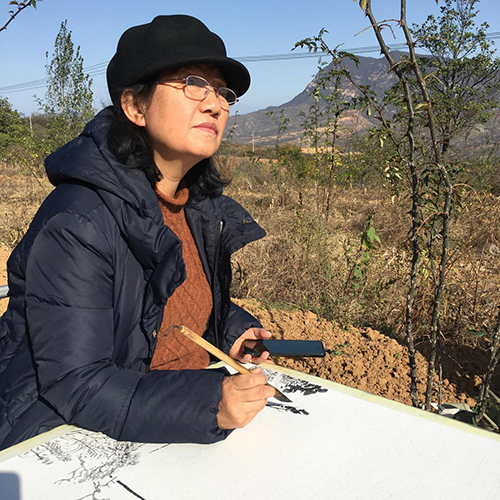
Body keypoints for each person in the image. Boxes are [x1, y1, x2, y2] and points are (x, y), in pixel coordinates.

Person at [0, 15, 275, 451]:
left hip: (150, 423)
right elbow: (78, 382)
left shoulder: (196, 208)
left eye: (223, 92)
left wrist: (230, 330)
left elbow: (158, 304)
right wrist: (210, 403)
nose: (215, 104)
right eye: (193, 83)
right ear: (135, 106)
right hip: (60, 437)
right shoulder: (79, 221)